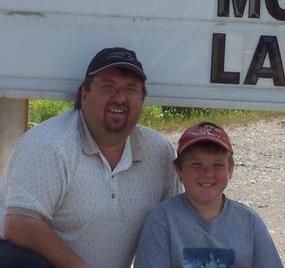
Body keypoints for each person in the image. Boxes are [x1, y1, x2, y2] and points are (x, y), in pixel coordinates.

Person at [0, 47, 180, 268]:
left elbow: (171, 227)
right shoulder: (48, 144)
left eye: (131, 89)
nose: (119, 98)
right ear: (84, 94)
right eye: (108, 87)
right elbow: (20, 225)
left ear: (143, 98)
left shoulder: (160, 152)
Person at [134, 121, 283, 268]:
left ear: (230, 170)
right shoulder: (162, 220)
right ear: (179, 169)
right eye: (196, 164)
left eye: (218, 165)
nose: (207, 173)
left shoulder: (250, 222)